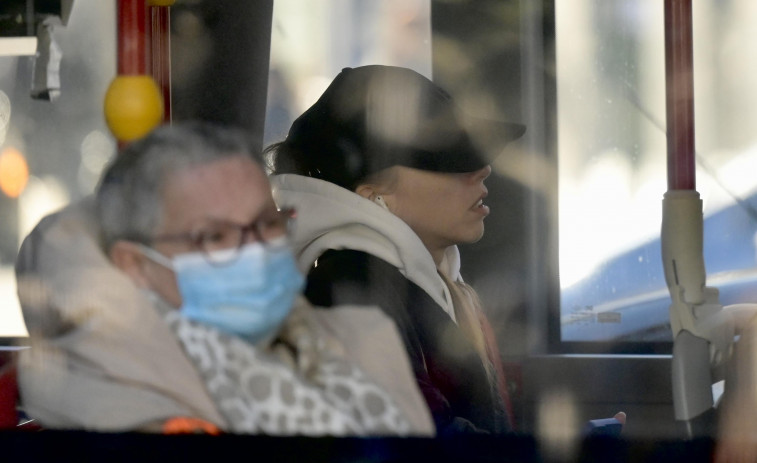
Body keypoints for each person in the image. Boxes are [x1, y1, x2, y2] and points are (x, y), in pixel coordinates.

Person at [14, 121, 433, 435]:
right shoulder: (114, 407)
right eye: (214, 236)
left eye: (266, 224)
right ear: (135, 265)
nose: (253, 250)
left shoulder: (360, 343)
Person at [266, 65, 526, 435]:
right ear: (371, 191)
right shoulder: (352, 290)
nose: (482, 169)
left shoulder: (425, 280)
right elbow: (428, 443)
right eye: (451, 160)